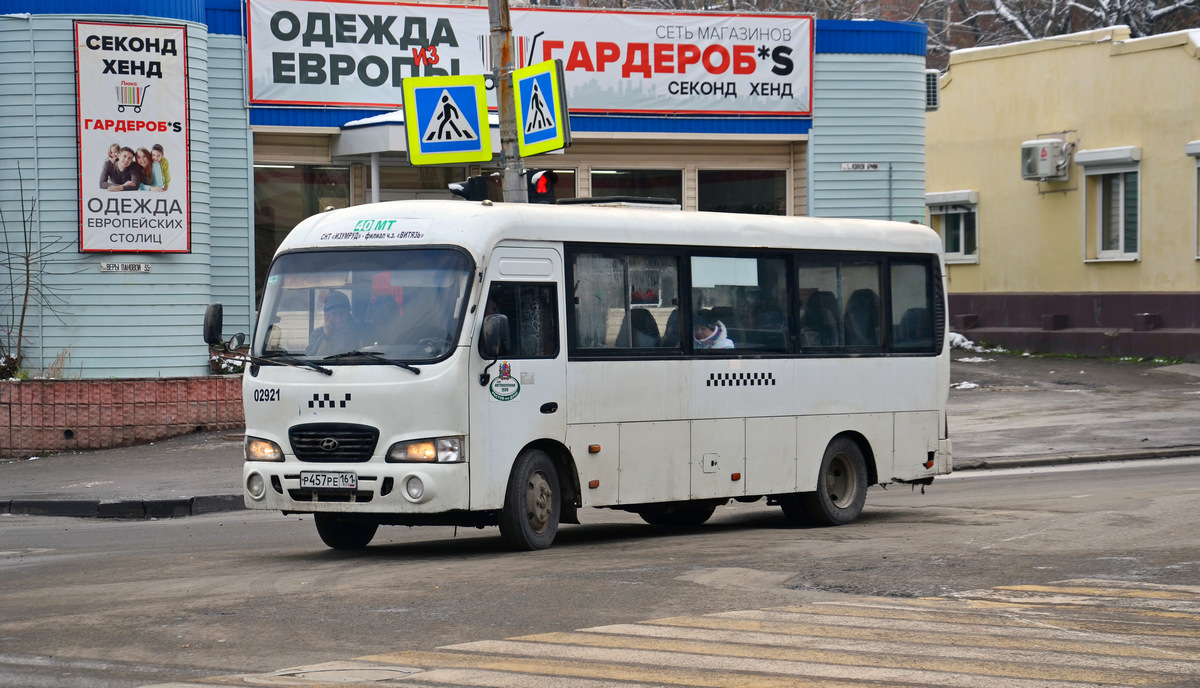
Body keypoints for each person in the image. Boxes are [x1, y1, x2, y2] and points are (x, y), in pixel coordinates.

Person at [306, 291, 362, 356]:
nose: (338, 319)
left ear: (348, 313)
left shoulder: (360, 331)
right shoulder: (317, 334)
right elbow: (311, 358)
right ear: (326, 315)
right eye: (334, 314)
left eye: (342, 314)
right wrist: (326, 336)